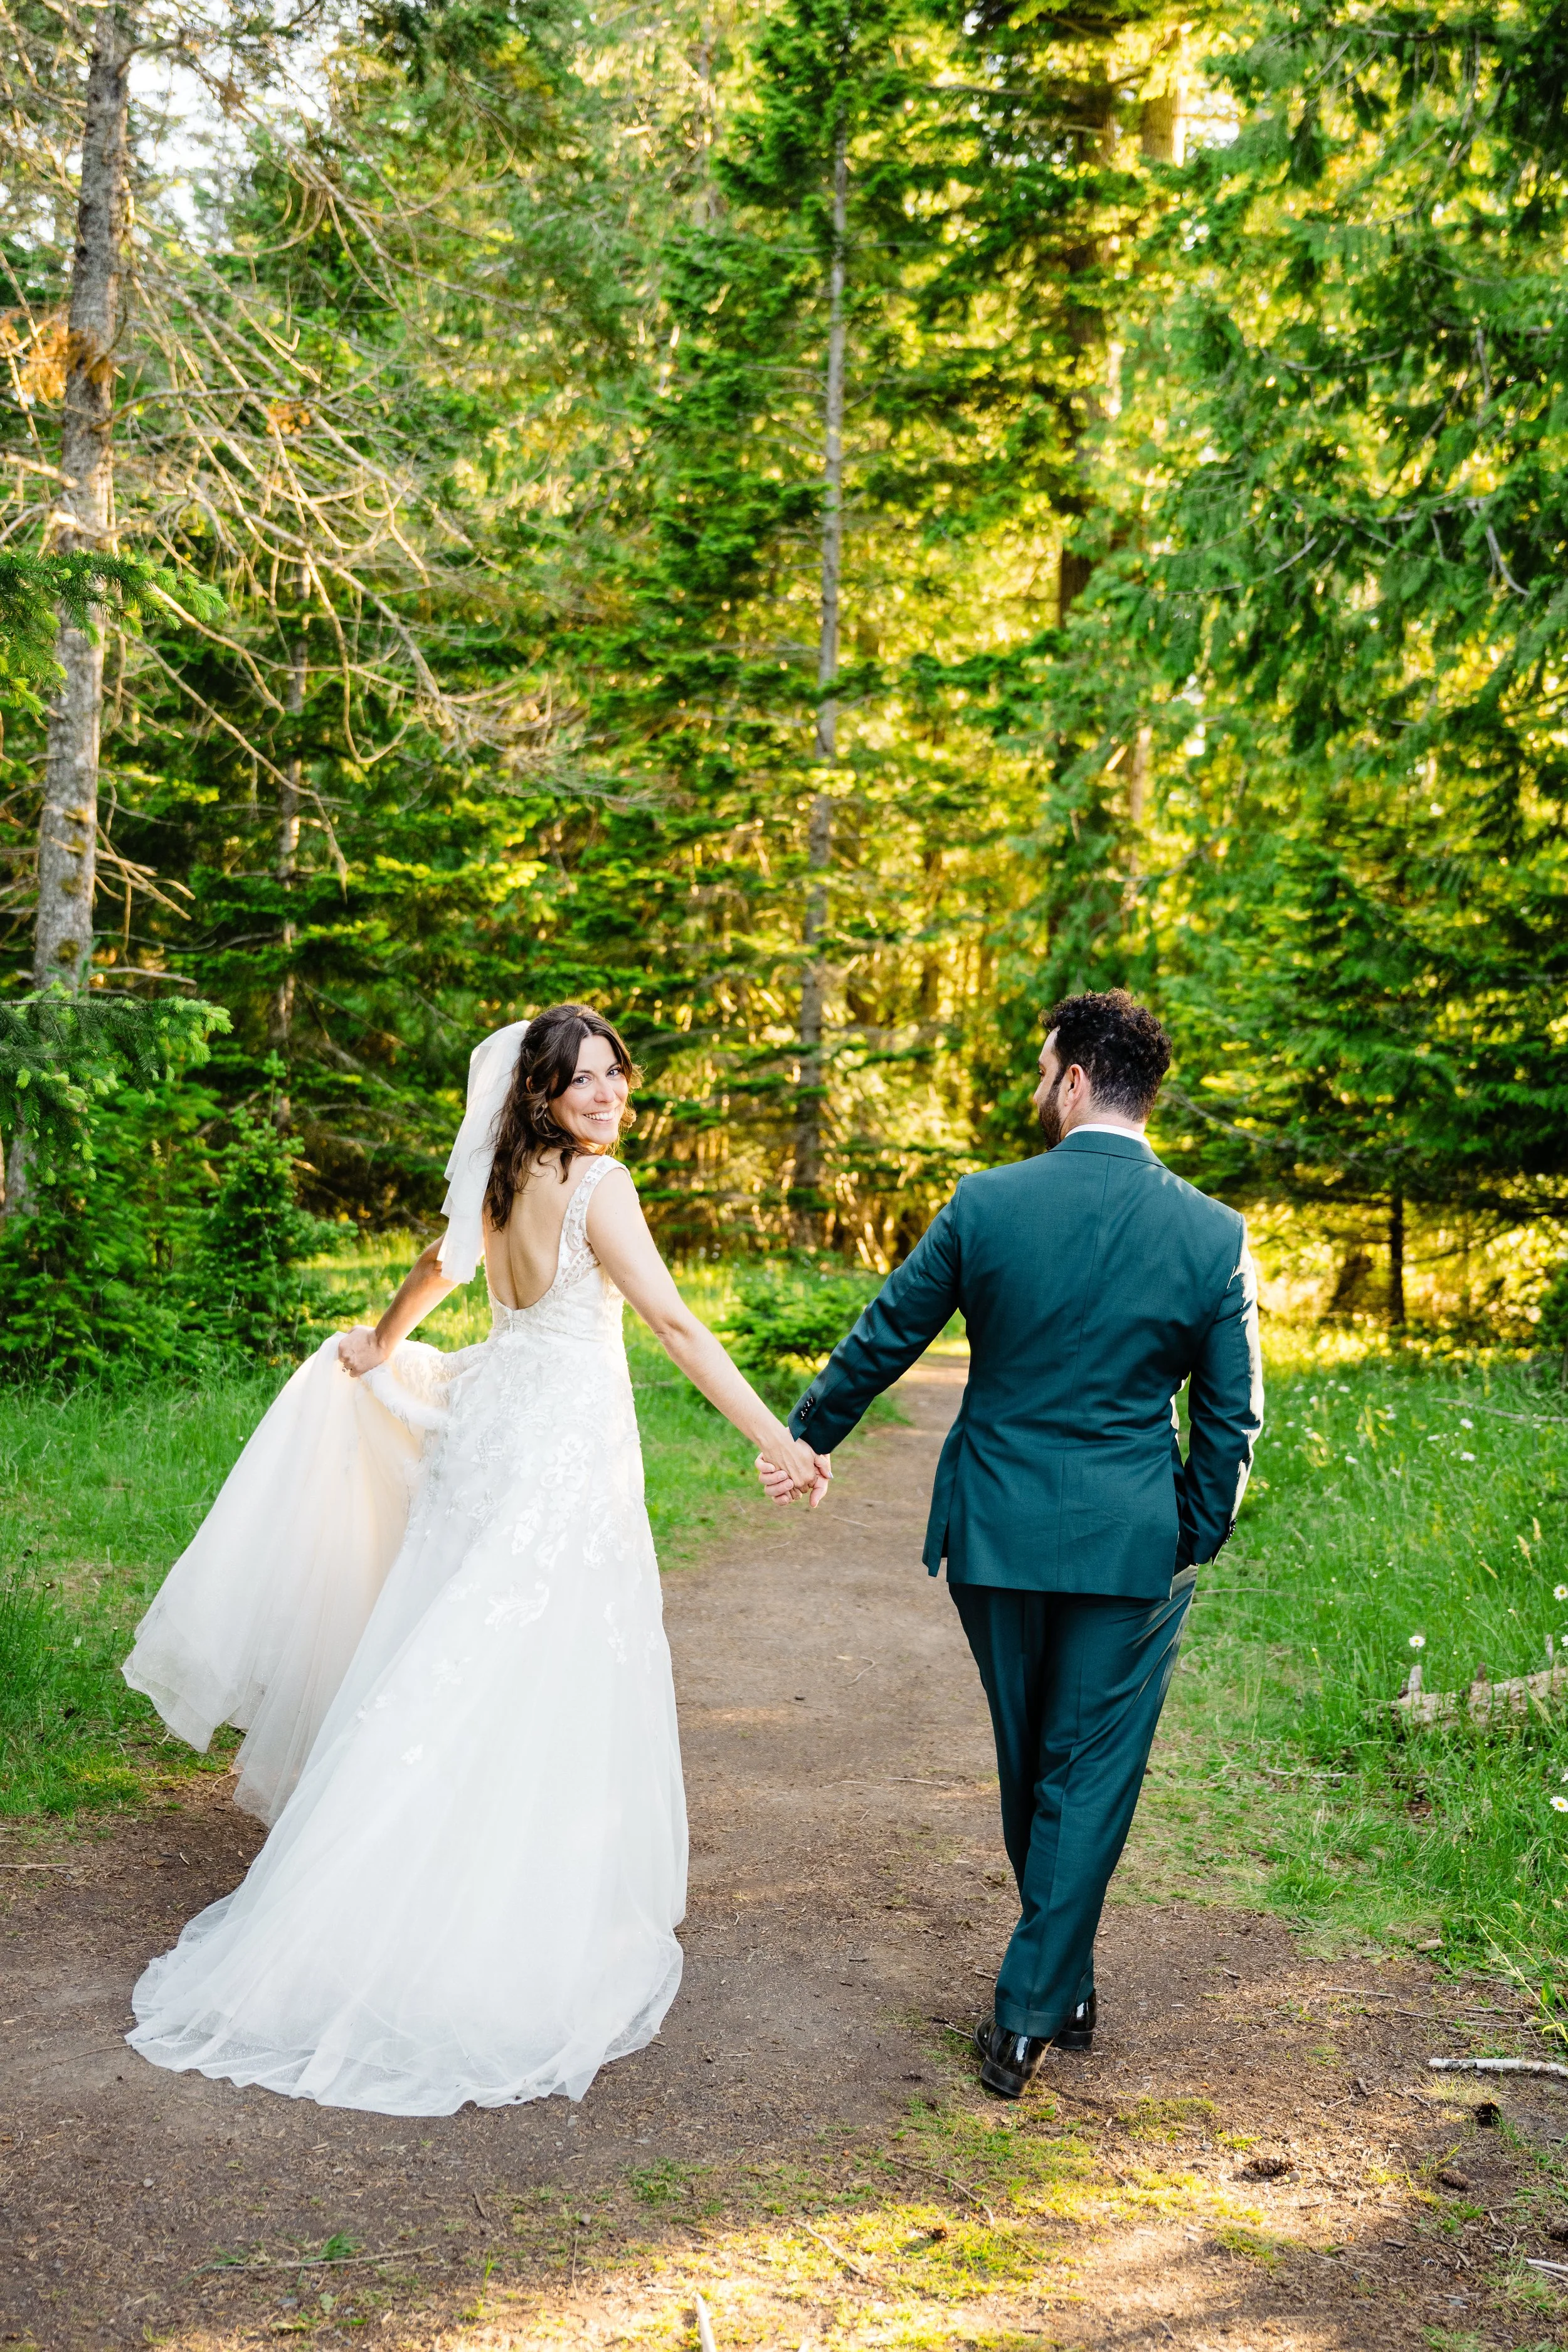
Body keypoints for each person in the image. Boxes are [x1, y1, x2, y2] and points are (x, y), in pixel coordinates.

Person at [122, 1004, 823, 2115]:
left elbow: (437, 1267)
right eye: (585, 1080)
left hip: (499, 1435)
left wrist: (383, 1343)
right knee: (534, 1669)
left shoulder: (498, 1183)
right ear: (541, 1093)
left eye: (616, 1076)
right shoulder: (601, 1186)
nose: (608, 1095)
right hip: (561, 1461)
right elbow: (678, 1326)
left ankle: (405, 1884)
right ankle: (497, 1916)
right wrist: (775, 1441)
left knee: (457, 1658)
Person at [759, 990, 1262, 2099]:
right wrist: (1187, 1533)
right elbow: (1232, 1421)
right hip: (1125, 1540)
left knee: (1035, 1757)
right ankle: (1057, 1977)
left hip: (994, 1529)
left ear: (1076, 1079)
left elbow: (888, 1329)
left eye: (1044, 1069)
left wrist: (805, 1434)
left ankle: (1030, 2005)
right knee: (1078, 1771)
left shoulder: (987, 1203)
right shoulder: (1213, 1233)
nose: (1038, 1086)